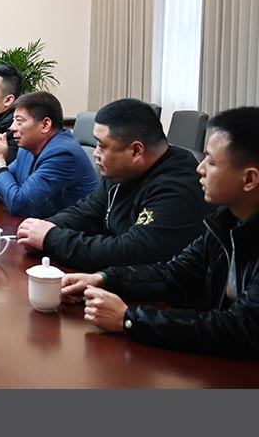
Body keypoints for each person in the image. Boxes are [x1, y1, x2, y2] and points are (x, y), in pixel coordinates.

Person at [62, 107, 259, 358]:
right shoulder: (227, 221)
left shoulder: (181, 188)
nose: (200, 169)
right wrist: (103, 279)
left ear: (249, 179)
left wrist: (129, 319)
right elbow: (175, 273)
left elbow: (239, 328)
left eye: (211, 161)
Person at [16, 98, 208, 271]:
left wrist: (51, 238)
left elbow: (131, 252)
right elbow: (86, 213)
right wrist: (44, 227)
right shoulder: (121, 172)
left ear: (136, 151)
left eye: (101, 145)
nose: (95, 153)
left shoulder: (177, 187)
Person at [0, 91, 99, 218]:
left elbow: (19, 205)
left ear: (45, 125)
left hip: (69, 228)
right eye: (13, 121)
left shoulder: (62, 154)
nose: (12, 128)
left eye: (19, 121)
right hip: (38, 222)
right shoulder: (26, 149)